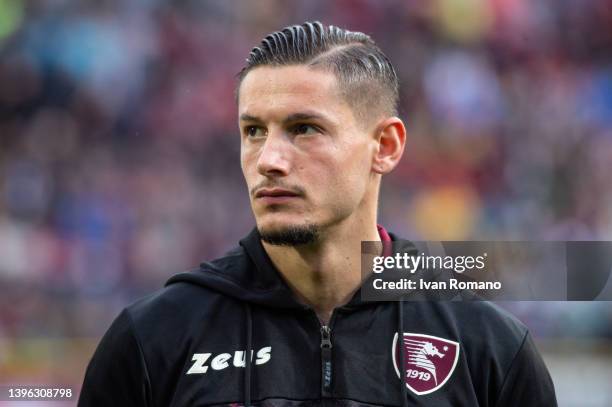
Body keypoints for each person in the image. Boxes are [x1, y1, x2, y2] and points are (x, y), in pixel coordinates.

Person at [78, 21, 557, 406]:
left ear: (385, 147)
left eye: (304, 129)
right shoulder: (154, 339)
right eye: (253, 131)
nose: (269, 159)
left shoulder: (486, 345)